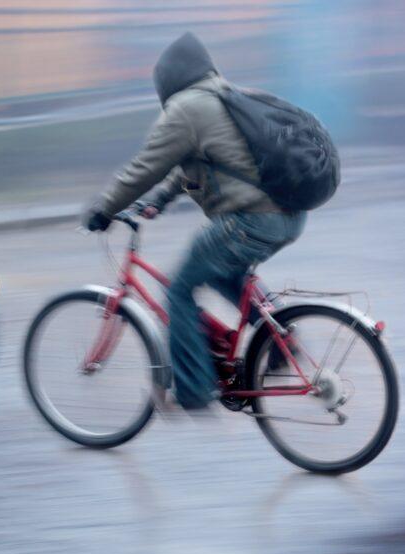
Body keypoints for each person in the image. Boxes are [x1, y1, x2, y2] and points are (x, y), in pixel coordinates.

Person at [83, 32, 306, 410]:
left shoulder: (187, 108)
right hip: (288, 216)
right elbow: (196, 165)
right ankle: (280, 337)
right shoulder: (226, 96)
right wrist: (161, 201)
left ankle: (192, 390)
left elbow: (145, 167)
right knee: (224, 272)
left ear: (168, 79)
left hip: (250, 220)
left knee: (179, 291)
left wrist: (104, 208)